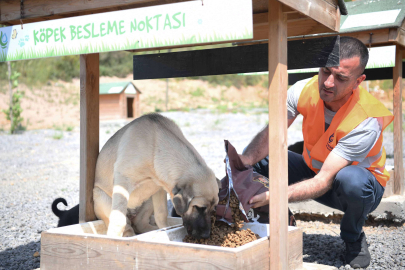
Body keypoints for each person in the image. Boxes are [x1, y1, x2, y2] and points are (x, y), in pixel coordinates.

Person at [238, 36, 393, 269]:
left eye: (341, 78)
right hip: (314, 170)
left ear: (358, 81)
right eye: (324, 71)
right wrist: (243, 162)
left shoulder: (366, 120)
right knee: (259, 162)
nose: (328, 83)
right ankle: (278, 223)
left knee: (351, 180)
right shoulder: (303, 89)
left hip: (355, 188)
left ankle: (353, 237)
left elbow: (324, 180)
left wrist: (277, 195)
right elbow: (274, 133)